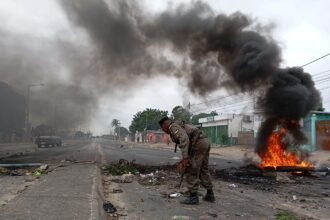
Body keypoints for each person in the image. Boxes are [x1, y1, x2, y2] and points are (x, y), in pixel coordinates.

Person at [158, 116, 215, 205]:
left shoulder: (172, 127)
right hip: (205, 141)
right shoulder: (180, 125)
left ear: (165, 125)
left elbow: (184, 139)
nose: (164, 131)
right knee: (203, 169)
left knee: (191, 168)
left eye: (162, 128)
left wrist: (185, 158)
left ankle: (193, 197)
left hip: (198, 143)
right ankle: (210, 194)